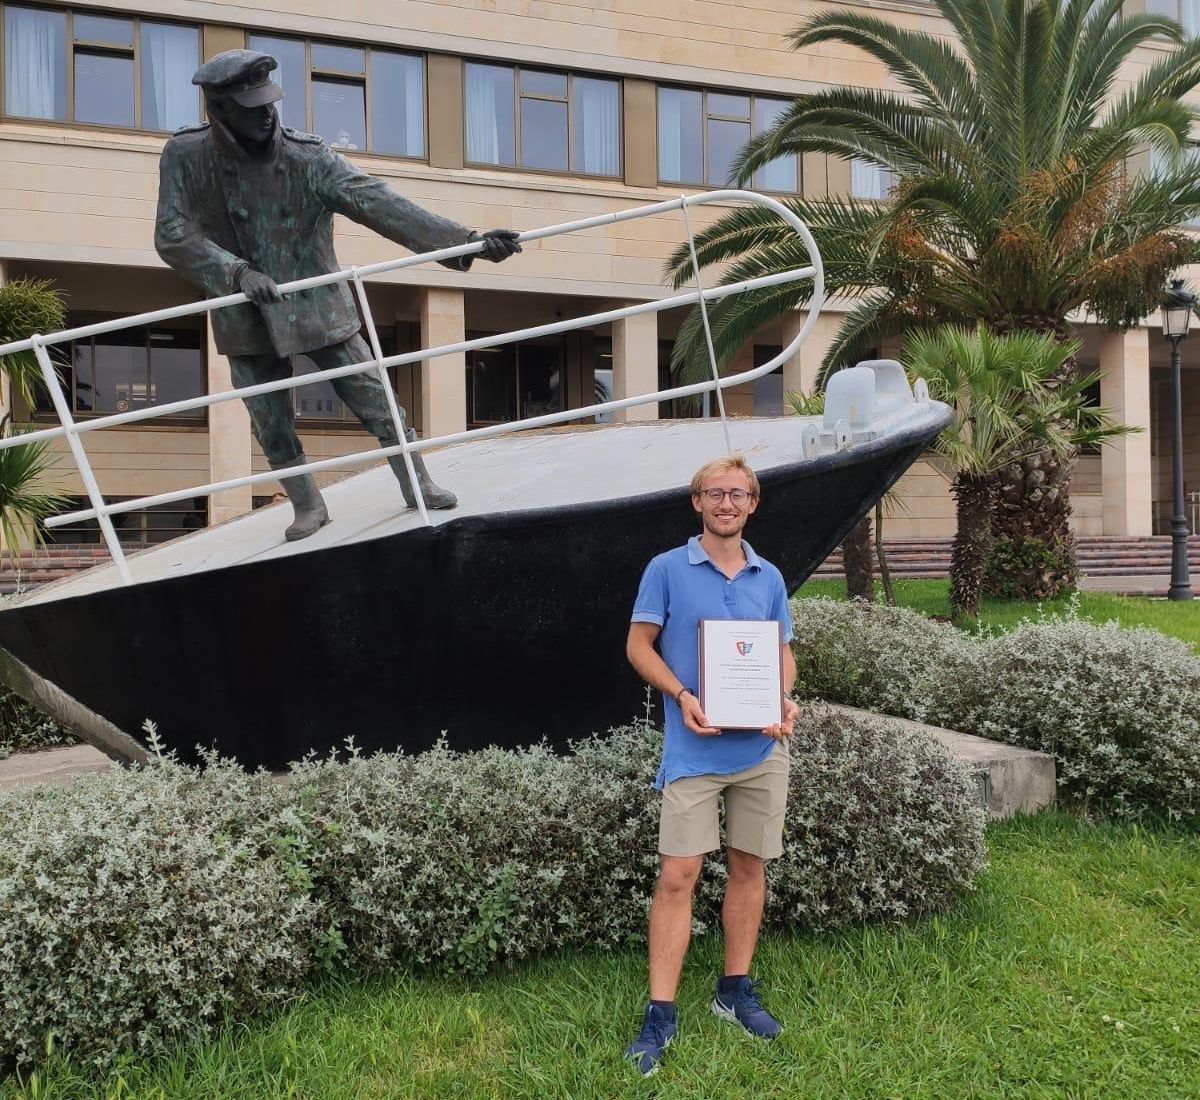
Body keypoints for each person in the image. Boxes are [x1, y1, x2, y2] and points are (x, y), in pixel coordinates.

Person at [154, 50, 521, 542]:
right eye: (251, 105)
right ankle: (307, 503)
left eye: (270, 101)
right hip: (245, 313)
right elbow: (172, 233)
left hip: (320, 304)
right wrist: (235, 272)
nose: (267, 113)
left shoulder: (307, 157)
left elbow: (379, 202)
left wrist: (467, 242)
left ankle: (416, 481)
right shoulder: (186, 155)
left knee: (376, 398)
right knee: (270, 420)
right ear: (218, 110)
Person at [624, 454, 798, 1076]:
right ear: (696, 501)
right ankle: (661, 1011)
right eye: (714, 493)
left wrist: (783, 699)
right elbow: (637, 644)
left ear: (753, 504)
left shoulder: (768, 576)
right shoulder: (666, 569)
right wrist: (682, 695)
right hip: (693, 750)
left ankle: (734, 990)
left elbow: (781, 651)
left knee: (749, 867)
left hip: (758, 751)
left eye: (738, 494)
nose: (726, 503)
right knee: (678, 875)